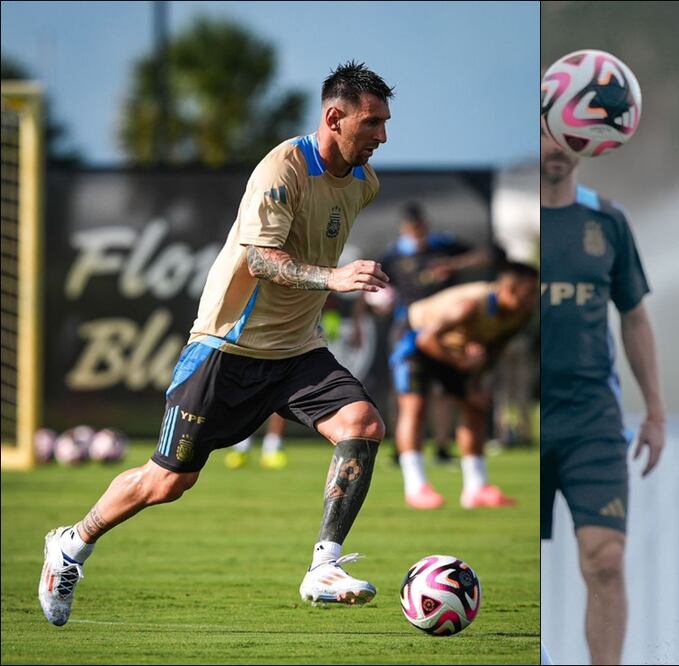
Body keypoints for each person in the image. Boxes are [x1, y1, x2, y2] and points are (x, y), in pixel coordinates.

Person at [38, 61, 394, 626]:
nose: (382, 136)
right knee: (169, 480)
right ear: (334, 117)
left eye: (384, 123)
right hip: (227, 347)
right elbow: (260, 258)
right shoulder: (282, 168)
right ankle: (71, 545)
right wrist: (334, 279)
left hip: (298, 350)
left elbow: (319, 253)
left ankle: (323, 566)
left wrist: (344, 292)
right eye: (372, 123)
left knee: (363, 425)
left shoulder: (364, 183)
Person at [539, 131, 666, 665]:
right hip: (526, 422)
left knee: (606, 562)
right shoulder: (518, 225)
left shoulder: (608, 221)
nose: (559, 143)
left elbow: (634, 317)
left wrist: (656, 411)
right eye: (548, 128)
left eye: (572, 133)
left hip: (592, 420)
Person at [391, 261, 538, 509]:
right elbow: (427, 339)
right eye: (529, 292)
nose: (534, 299)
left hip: (457, 353)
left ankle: (476, 488)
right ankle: (415, 487)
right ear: (510, 289)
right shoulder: (469, 306)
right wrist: (462, 364)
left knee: (475, 407)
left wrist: (477, 382)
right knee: (415, 405)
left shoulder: (522, 315)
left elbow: (494, 349)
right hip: (416, 339)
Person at [379, 203, 489, 464]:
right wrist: (379, 300)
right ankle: (401, 447)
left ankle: (441, 445)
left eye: (420, 227)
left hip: (444, 326)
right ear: (404, 229)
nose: (417, 232)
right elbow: (380, 285)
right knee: (405, 390)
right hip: (407, 325)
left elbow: (485, 255)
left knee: (444, 390)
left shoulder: (443, 245)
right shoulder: (394, 254)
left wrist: (454, 265)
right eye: (412, 228)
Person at [224, 291, 370, 470]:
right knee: (252, 389)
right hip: (269, 326)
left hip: (308, 328)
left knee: (281, 388)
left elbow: (335, 292)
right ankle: (242, 444)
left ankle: (273, 445)